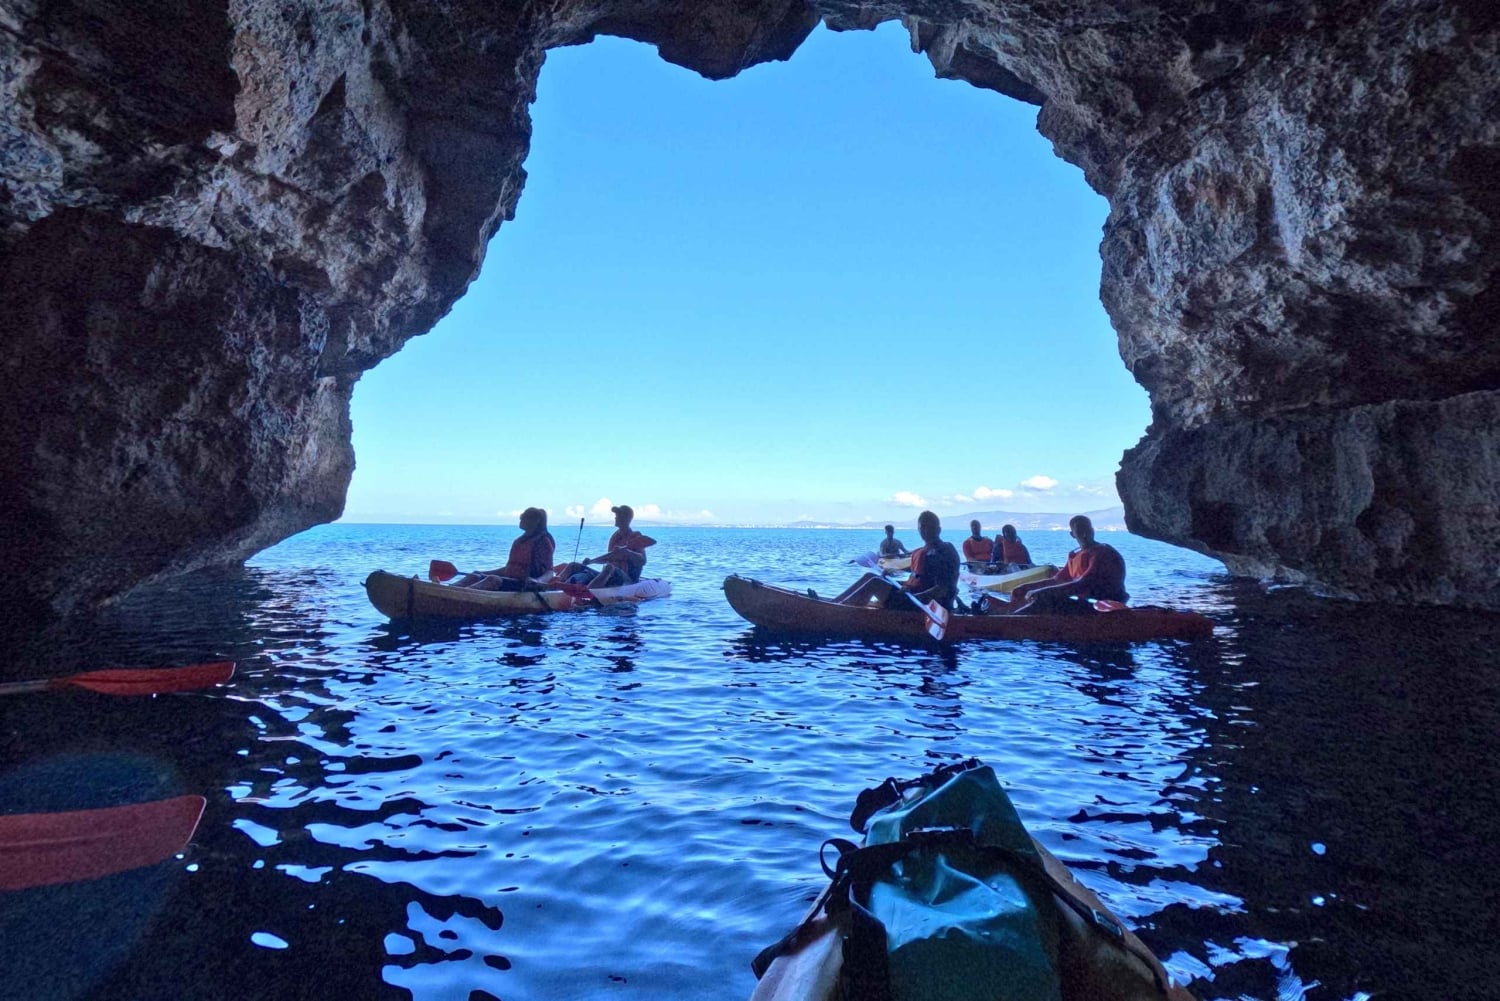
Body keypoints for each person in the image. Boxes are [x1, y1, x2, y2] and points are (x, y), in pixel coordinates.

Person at [990, 515, 1126, 614]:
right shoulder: (1075, 555)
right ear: (1072, 534)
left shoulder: (1103, 552)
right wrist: (1026, 587)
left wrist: (1042, 592)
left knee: (1044, 598)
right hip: (1084, 601)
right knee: (1022, 591)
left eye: (1087, 528)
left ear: (1092, 530)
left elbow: (1085, 582)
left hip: (1102, 604)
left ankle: (1013, 622)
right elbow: (1058, 579)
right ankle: (1008, 614)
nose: (1084, 532)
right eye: (1080, 529)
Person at [454, 507, 556, 590]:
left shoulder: (543, 542)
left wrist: (538, 581)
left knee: (493, 580)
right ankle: (452, 590)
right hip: (509, 580)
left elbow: (549, 571)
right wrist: (483, 572)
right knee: (475, 575)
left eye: (525, 517)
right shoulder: (518, 541)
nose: (521, 519)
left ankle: (464, 594)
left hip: (525, 584)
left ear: (536, 521)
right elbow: (509, 568)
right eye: (522, 517)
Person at [578, 504, 657, 589]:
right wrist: (591, 561)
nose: (615, 518)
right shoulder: (615, 537)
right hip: (611, 576)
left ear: (626, 518)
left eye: (618, 515)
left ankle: (588, 592)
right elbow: (609, 557)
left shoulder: (635, 536)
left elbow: (642, 561)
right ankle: (564, 589)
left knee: (609, 567)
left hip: (627, 579)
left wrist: (627, 552)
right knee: (574, 566)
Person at [900, 510, 961, 611]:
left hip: (930, 607)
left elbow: (943, 588)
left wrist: (914, 598)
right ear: (918, 529)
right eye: (922, 527)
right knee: (879, 581)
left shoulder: (945, 551)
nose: (926, 530)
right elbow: (918, 576)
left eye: (930, 527)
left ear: (938, 529)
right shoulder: (920, 552)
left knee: (875, 583)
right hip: (915, 597)